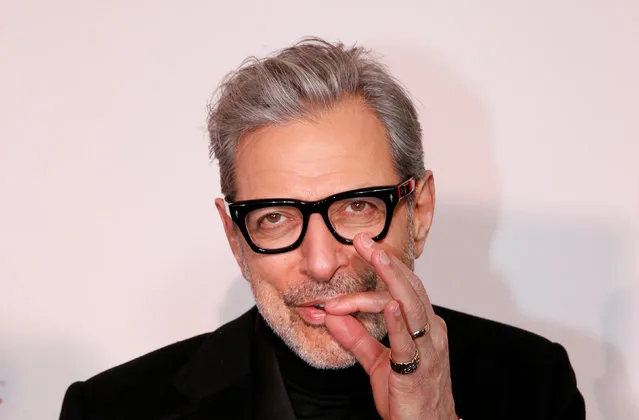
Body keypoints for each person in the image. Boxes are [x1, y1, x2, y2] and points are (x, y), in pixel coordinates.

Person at [59, 38, 585, 420]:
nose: (320, 262)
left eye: (357, 207)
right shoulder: (111, 409)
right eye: (275, 218)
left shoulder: (532, 386)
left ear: (419, 212)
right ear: (234, 238)